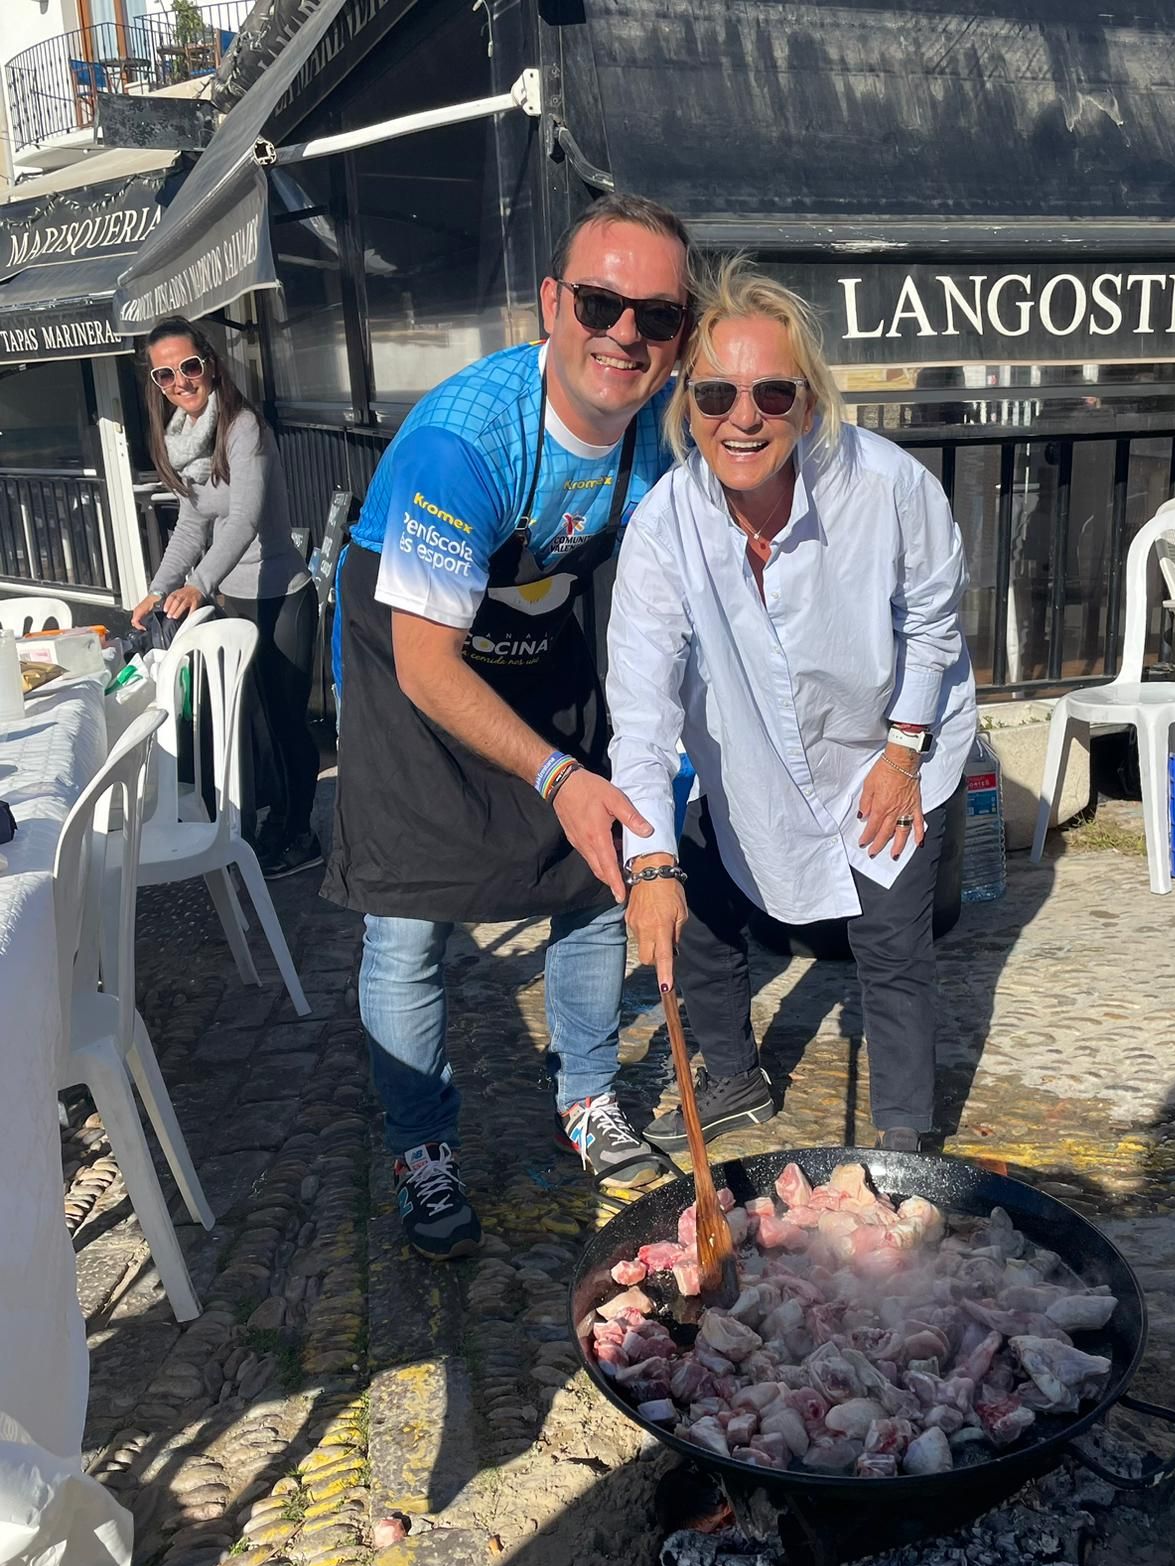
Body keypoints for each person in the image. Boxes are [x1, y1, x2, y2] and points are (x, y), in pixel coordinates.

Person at [322, 194, 692, 1260]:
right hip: (416, 649)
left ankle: (584, 1096)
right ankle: (421, 1145)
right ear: (551, 304)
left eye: (653, 317)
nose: (621, 332)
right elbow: (430, 666)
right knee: (405, 917)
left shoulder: (660, 442)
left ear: (674, 339)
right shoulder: (464, 442)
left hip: (537, 626)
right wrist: (555, 775)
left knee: (589, 873)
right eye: (598, 301)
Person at [608, 260, 977, 1154]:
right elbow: (645, 714)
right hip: (759, 763)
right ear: (685, 406)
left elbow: (933, 620)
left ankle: (903, 1150)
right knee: (701, 885)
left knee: (890, 946)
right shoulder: (663, 529)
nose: (743, 417)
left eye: (772, 393)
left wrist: (901, 755)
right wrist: (648, 868)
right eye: (717, 394)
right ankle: (733, 1073)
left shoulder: (886, 486)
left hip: (893, 740)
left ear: (807, 402)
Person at [131, 317, 321, 879]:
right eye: (165, 375)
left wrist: (199, 584)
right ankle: (277, 823)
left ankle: (301, 833)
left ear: (210, 363)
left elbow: (244, 520)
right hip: (236, 597)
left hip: (281, 595)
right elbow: (193, 526)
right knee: (255, 721)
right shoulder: (185, 439)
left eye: (188, 367)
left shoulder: (244, 428)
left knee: (288, 721)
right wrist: (157, 589)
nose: (180, 382)